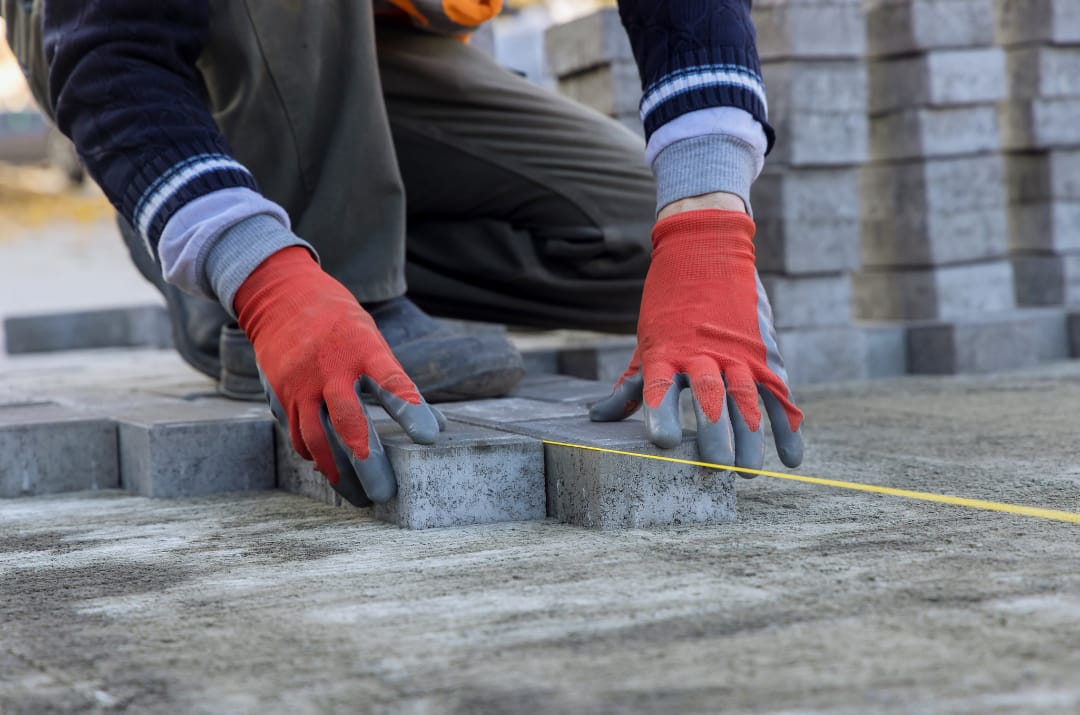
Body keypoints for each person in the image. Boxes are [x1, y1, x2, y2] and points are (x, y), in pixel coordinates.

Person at [2, 0, 803, 504]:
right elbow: (112, 55)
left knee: (629, 236)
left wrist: (706, 222)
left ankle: (316, 258)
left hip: (372, 53)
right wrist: (259, 275)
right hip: (145, 34)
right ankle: (265, 276)